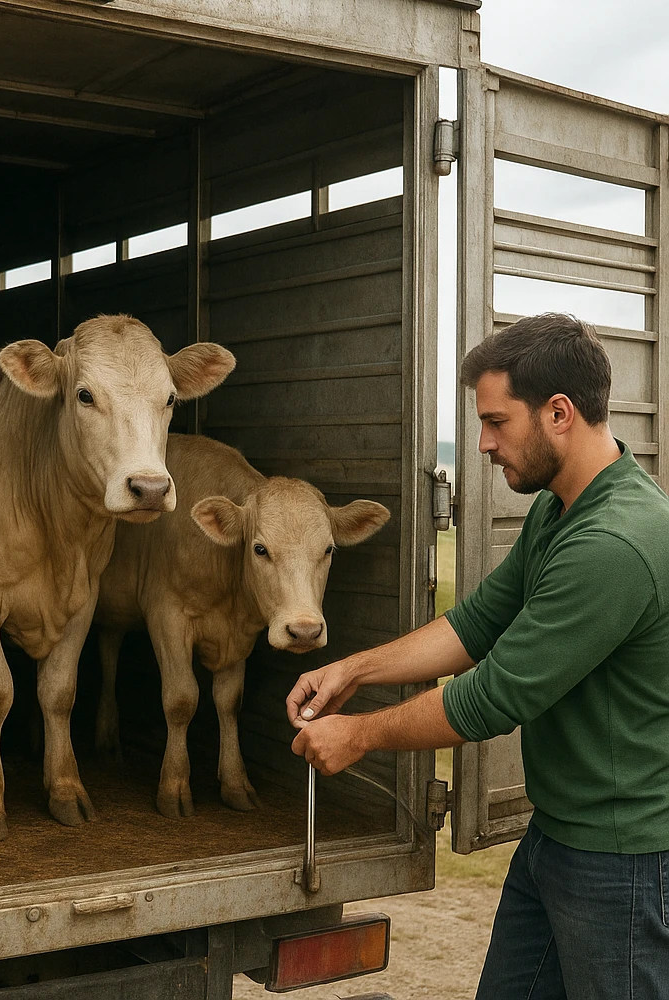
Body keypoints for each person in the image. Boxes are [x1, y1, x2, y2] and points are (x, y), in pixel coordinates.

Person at [286, 313, 669, 1000]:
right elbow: (476, 623)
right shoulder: (560, 510)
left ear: (559, 413)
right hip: (558, 836)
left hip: (623, 860)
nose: (484, 443)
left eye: (496, 422)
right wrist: (352, 670)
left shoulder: (615, 541)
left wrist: (358, 735)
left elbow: (491, 698)